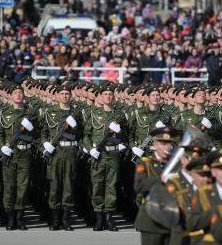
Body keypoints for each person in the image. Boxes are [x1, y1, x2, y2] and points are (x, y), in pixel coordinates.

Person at [83, 84, 127, 231]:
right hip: (98, 155)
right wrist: (91, 150)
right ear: (100, 96)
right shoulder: (93, 114)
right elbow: (86, 135)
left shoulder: (119, 115)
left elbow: (125, 137)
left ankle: (109, 217)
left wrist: (119, 131)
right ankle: (99, 218)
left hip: (113, 155)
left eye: (110, 94)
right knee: (97, 185)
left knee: (111, 186)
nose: (108, 96)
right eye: (105, 94)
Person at [0, 83, 39, 230]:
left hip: (24, 154)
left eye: (21, 93)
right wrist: (2, 146)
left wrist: (31, 128)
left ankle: (20, 216)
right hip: (10, 154)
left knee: (23, 187)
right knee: (9, 187)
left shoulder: (31, 113)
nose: (18, 95)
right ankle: (10, 217)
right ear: (11, 96)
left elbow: (37, 134)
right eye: (16, 93)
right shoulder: (5, 113)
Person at [41, 83, 83, 231]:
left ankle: (66, 219)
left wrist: (75, 126)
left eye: (67, 94)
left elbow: (81, 135)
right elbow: (43, 132)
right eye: (62, 94)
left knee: (68, 185)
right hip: (55, 152)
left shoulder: (75, 113)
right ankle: (55, 219)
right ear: (57, 96)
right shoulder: (49, 111)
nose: (65, 96)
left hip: (70, 151)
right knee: (54, 185)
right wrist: (45, 144)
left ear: (70, 96)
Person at [134, 127, 179, 245]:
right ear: (155, 144)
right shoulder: (145, 162)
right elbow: (139, 185)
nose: (167, 147)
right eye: (163, 143)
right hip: (151, 220)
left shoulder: (176, 164)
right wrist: (162, 179)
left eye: (169, 143)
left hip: (172, 218)